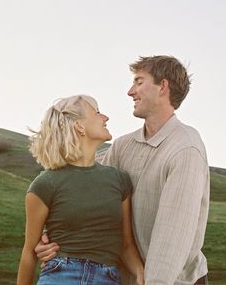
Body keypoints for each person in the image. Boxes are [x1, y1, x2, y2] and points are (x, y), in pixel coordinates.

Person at [35, 56, 210, 285]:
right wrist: (49, 237)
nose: (130, 91)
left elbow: (172, 240)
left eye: (139, 82)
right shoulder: (123, 146)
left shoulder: (185, 148)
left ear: (163, 87)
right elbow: (78, 178)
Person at [17, 95, 144, 285]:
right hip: (60, 275)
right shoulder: (44, 184)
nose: (106, 117)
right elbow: (29, 253)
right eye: (98, 112)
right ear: (79, 126)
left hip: (107, 278)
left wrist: (141, 272)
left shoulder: (119, 180)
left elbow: (126, 246)